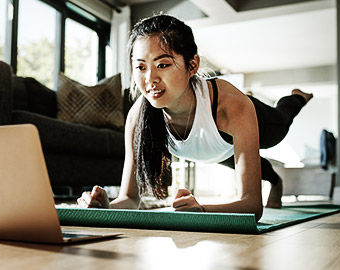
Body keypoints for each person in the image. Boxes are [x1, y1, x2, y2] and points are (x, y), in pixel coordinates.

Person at [77, 14, 313, 221]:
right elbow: (129, 199)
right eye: (140, 67)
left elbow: (252, 206)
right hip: (216, 148)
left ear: (192, 65)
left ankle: (297, 97)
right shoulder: (138, 117)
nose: (150, 79)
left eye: (163, 64)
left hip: (255, 120)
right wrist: (105, 207)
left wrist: (201, 209)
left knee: (282, 123)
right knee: (245, 163)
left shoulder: (231, 107)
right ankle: (276, 180)